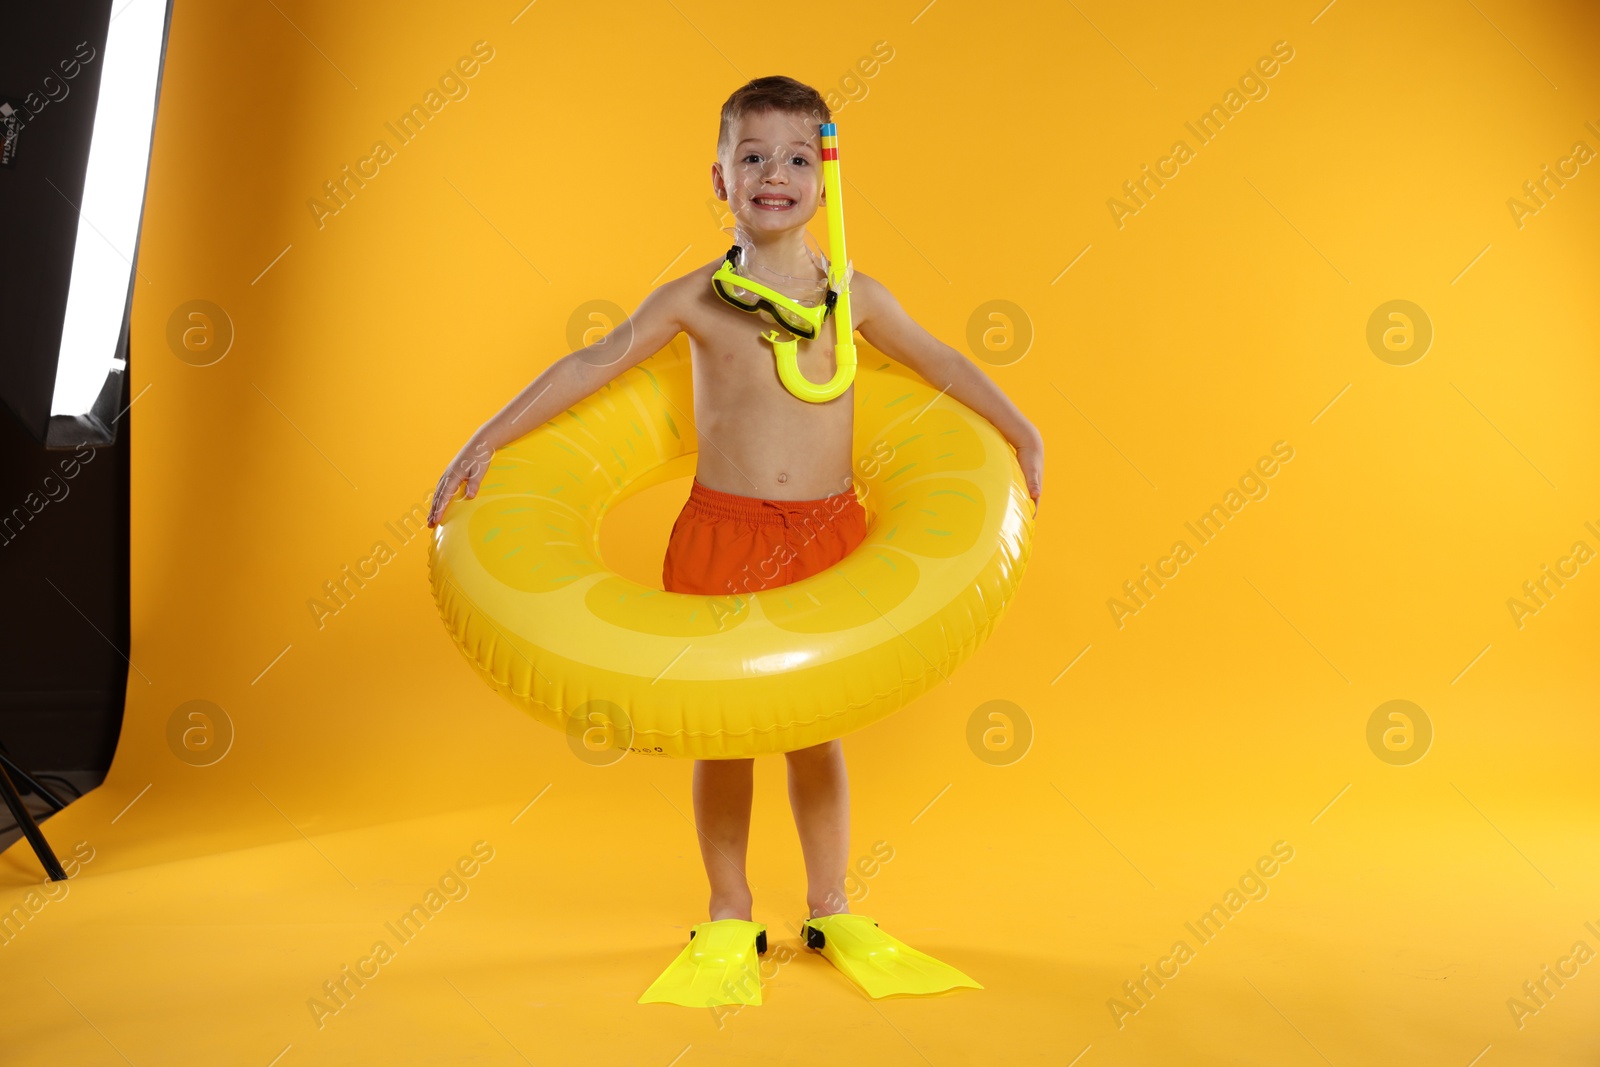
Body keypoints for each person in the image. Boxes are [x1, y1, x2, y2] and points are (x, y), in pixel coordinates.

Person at [428, 75, 1042, 1005]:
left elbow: (943, 363)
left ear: (824, 179)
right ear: (718, 178)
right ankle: (727, 909)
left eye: (798, 158)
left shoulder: (853, 296)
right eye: (751, 156)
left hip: (831, 533)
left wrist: (1021, 427)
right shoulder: (693, 302)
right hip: (724, 534)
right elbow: (588, 365)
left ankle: (831, 903)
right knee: (724, 733)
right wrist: (487, 436)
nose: (774, 175)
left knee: (816, 731)